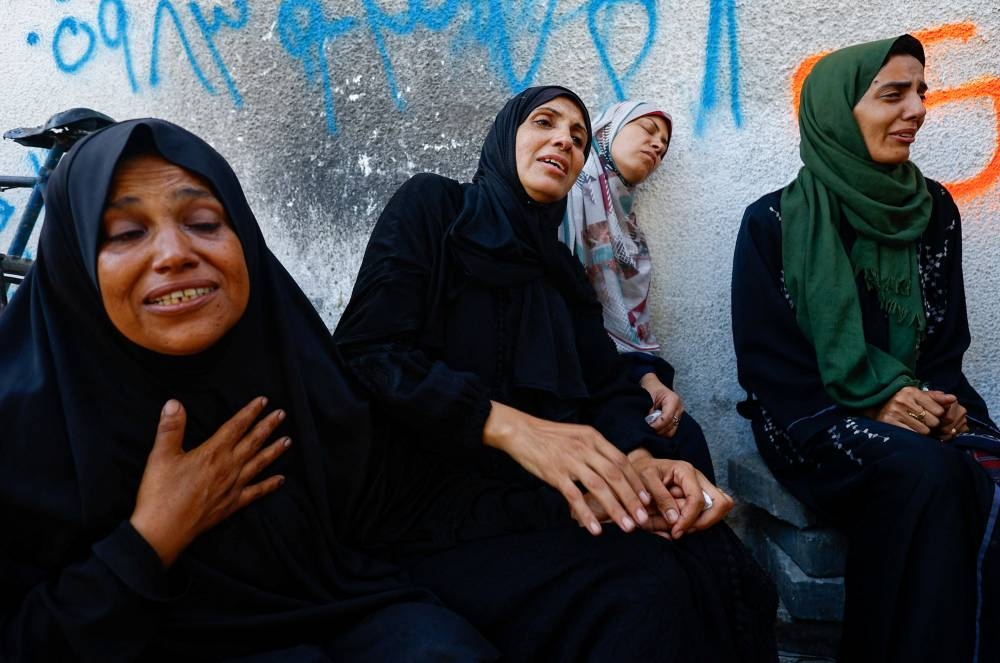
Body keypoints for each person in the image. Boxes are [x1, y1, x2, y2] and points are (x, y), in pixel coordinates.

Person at [0, 118, 503, 661]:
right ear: (75, 268)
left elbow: (388, 512)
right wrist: (148, 540)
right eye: (125, 233)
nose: (173, 254)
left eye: (203, 222)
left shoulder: (294, 368)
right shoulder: (23, 437)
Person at [336, 85, 777, 661]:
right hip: (431, 514)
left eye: (576, 136)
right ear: (505, 138)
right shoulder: (435, 210)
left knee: (722, 564)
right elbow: (368, 355)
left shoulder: (562, 271)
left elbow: (603, 384)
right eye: (545, 122)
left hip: (543, 503)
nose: (563, 141)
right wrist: (507, 426)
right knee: (645, 591)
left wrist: (640, 463)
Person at [732, 34, 1000, 663]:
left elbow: (942, 341)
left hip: (914, 408)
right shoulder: (772, 222)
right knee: (924, 473)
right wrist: (874, 407)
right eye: (893, 95)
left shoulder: (934, 210)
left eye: (921, 92)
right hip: (811, 417)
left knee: (984, 470)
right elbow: (770, 364)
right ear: (837, 110)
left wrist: (946, 404)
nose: (917, 109)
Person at [561, 101, 715, 477]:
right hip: (564, 376)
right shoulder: (565, 192)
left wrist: (650, 381)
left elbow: (627, 332)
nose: (658, 146)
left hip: (611, 374)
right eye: (647, 130)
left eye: (664, 143)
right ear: (605, 132)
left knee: (684, 435)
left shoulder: (627, 232)